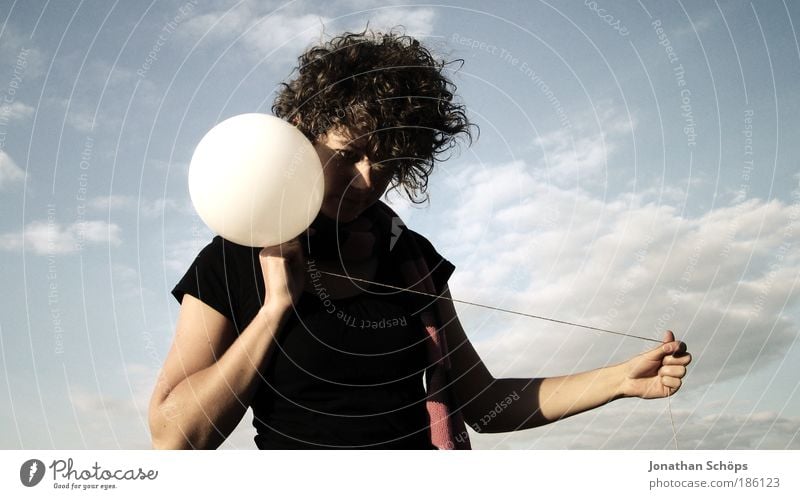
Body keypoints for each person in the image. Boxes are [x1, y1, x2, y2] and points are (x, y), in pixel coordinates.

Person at [148, 28, 691, 450]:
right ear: (302, 131)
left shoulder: (412, 259)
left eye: (389, 161)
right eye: (349, 152)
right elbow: (174, 437)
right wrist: (274, 310)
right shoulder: (235, 254)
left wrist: (620, 379)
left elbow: (486, 403)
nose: (369, 179)